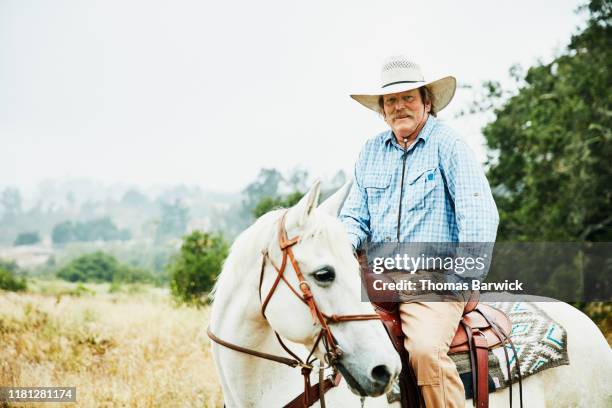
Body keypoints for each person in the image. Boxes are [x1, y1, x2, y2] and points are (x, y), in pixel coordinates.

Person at [339, 55, 499, 407]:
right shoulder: (370, 152)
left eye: (408, 97)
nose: (399, 107)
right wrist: (340, 249)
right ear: (382, 110)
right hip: (375, 276)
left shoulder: (449, 145)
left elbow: (479, 216)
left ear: (427, 102)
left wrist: (459, 279)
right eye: (391, 101)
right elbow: (353, 217)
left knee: (425, 351)